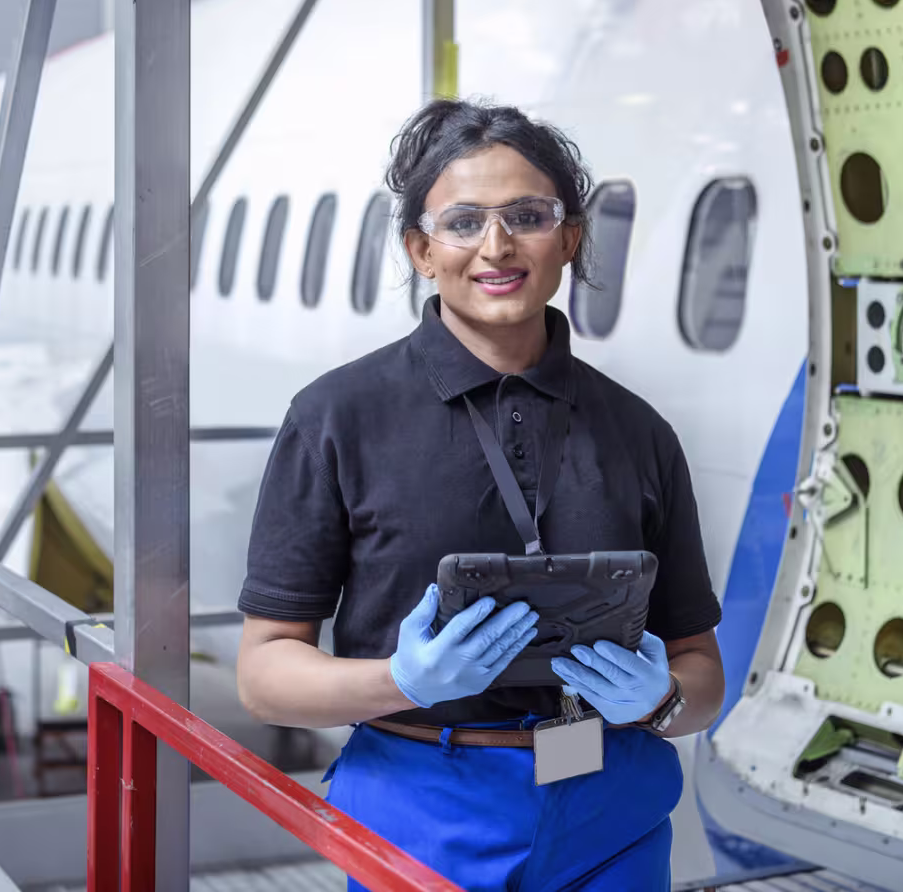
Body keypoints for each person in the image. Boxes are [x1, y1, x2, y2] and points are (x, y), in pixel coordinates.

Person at [236, 99, 725, 891]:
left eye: (527, 216)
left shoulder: (638, 432)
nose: (496, 247)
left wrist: (662, 699)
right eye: (462, 222)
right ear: (421, 250)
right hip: (424, 803)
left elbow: (701, 671)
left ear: (569, 238)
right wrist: (399, 681)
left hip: (611, 806)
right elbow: (264, 676)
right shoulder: (337, 418)